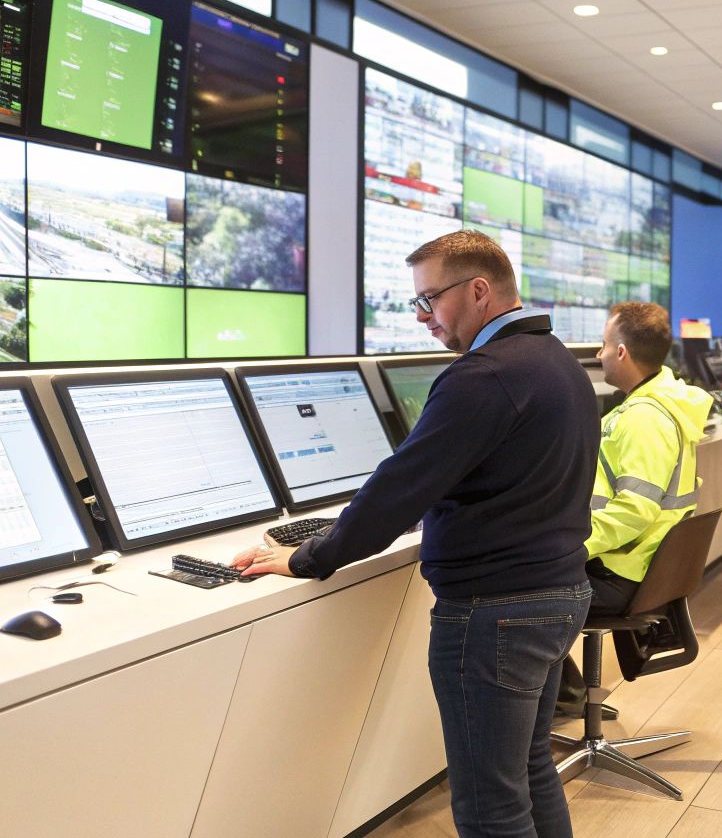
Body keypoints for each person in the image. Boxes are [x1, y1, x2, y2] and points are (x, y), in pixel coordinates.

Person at [235, 230, 596, 838]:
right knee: (530, 770)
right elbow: (480, 475)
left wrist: (309, 556)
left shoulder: (484, 375)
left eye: (430, 299)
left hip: (495, 612)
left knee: (490, 805)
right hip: (558, 593)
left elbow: (399, 486)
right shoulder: (553, 359)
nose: (423, 315)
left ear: (478, 291)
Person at [557, 301, 712, 712]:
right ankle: (567, 697)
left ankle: (555, 704)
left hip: (620, 574)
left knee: (519, 587)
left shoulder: (644, 419)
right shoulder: (664, 405)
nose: (599, 354)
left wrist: (570, 545)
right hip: (643, 569)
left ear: (622, 351)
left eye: (605, 345)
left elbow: (635, 510)